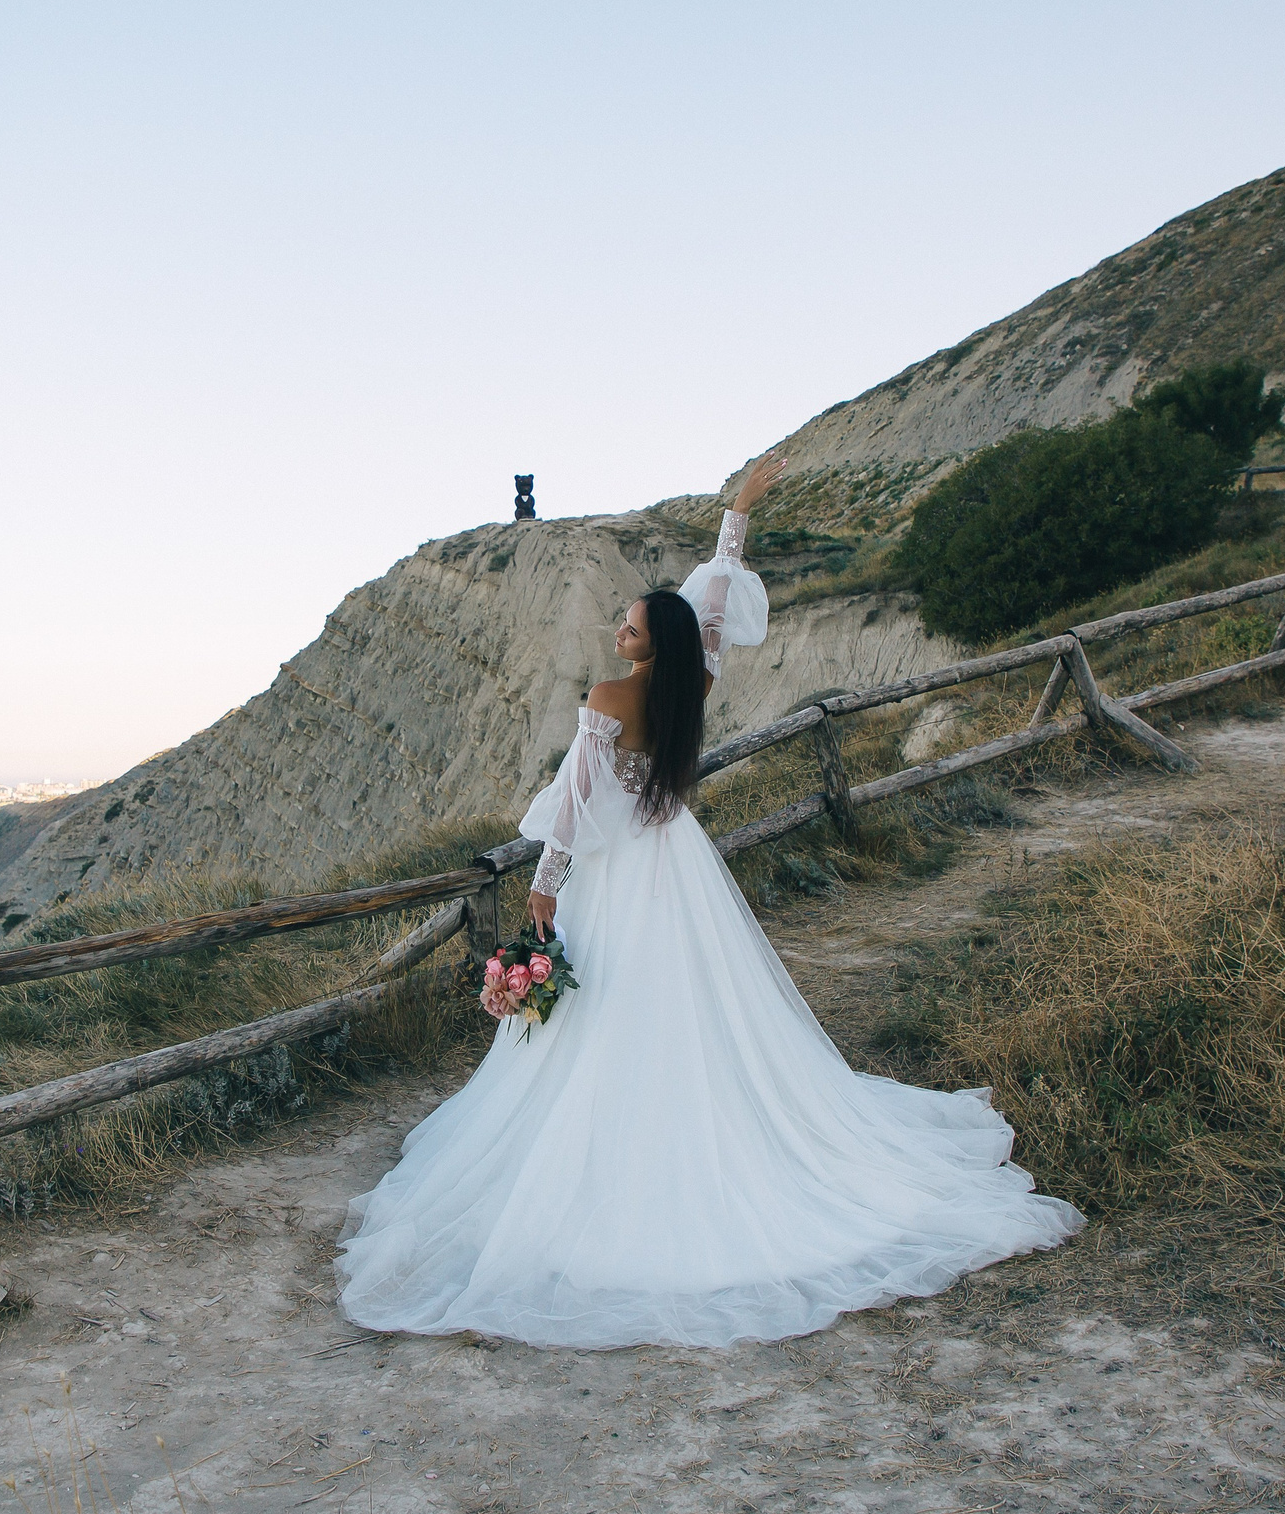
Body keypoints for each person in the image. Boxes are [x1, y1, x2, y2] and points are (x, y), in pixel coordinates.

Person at [334, 453, 1082, 1349]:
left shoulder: (609, 696)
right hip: (676, 862)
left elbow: (575, 801)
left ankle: (626, 1156)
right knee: (688, 1004)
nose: (619, 629)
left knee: (610, 1006)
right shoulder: (692, 685)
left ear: (650, 644)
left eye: (630, 623)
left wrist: (545, 884)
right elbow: (713, 613)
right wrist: (737, 517)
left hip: (617, 873)